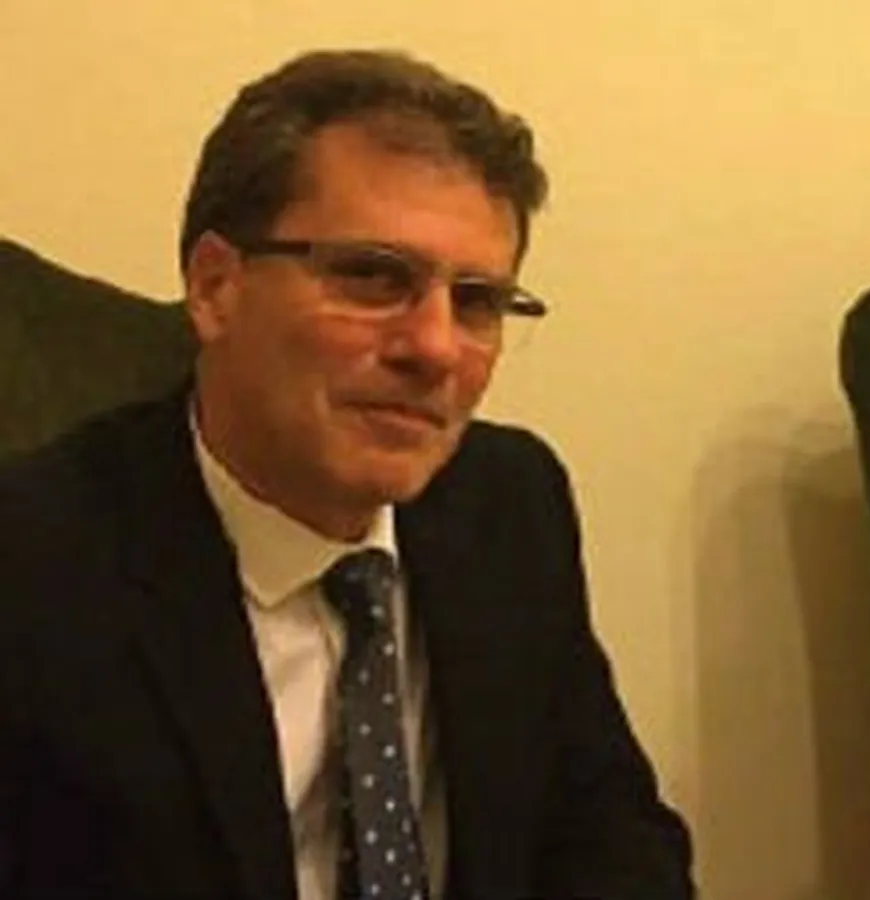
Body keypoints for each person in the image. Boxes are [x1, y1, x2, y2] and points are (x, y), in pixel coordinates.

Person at [0, 49, 693, 899]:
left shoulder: (509, 505)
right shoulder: (36, 565)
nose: (434, 347)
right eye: (372, 277)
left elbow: (609, 834)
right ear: (216, 287)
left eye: (476, 301)